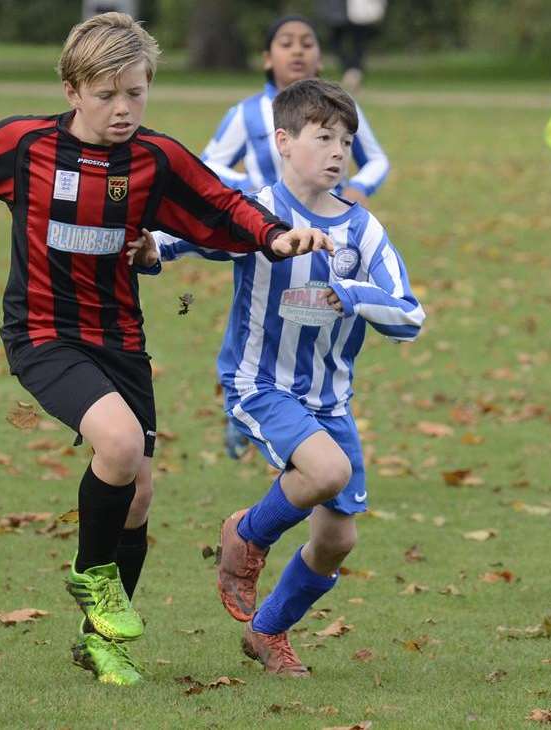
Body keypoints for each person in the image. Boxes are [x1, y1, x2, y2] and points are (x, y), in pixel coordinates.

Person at [0, 12, 333, 687]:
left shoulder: (154, 159)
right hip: (42, 333)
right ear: (71, 90)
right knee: (116, 446)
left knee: (138, 491)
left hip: (119, 340)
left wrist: (272, 235)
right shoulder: (26, 147)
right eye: (107, 93)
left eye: (135, 93)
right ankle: (92, 578)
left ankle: (99, 642)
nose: (122, 109)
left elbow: (219, 203)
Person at [130, 78, 423, 674]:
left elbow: (409, 316)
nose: (338, 151)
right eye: (323, 138)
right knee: (326, 471)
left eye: (346, 140)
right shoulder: (255, 213)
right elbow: (189, 235)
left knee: (338, 542)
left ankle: (268, 632)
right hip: (260, 384)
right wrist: (150, 250)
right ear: (284, 142)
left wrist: (350, 292)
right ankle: (248, 536)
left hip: (330, 401)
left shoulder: (363, 232)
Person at [200, 13, 390, 458]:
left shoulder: (341, 112)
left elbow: (377, 160)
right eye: (286, 42)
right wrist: (248, 193)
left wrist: (359, 188)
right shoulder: (247, 115)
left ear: (321, 55)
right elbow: (207, 165)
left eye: (308, 42)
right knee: (261, 318)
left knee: (319, 317)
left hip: (326, 234)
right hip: (263, 235)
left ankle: (312, 410)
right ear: (267, 58)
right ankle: (249, 409)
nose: (299, 50)